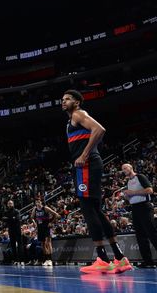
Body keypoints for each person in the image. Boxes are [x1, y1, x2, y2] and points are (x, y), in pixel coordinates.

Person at [61, 90, 131, 274]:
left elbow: (100, 129)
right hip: (88, 165)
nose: (63, 101)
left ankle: (102, 259)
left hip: (86, 165)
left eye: (67, 98)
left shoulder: (79, 114)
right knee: (95, 210)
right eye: (62, 99)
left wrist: (84, 155)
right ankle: (119, 257)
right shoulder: (72, 120)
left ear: (76, 102)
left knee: (87, 208)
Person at [121, 163, 157, 268]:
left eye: (125, 168)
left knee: (151, 233)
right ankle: (148, 261)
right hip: (135, 209)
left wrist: (133, 192)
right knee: (140, 236)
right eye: (122, 169)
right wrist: (127, 196)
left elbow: (150, 190)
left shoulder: (140, 177)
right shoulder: (128, 182)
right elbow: (131, 197)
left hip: (145, 207)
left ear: (131, 167)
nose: (123, 170)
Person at [31, 198, 59, 266]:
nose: (38, 203)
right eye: (36, 202)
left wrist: (51, 222)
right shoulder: (35, 209)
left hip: (46, 227)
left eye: (39, 201)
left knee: (48, 243)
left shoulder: (45, 208)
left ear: (41, 202)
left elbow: (55, 214)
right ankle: (46, 259)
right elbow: (32, 217)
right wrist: (34, 222)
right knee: (43, 244)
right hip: (40, 228)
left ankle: (50, 259)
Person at [3, 200, 23, 265]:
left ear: (13, 204)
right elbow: (3, 219)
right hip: (11, 230)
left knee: (20, 245)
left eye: (11, 203)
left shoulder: (17, 211)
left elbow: (17, 219)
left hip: (17, 230)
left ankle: (21, 260)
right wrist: (12, 218)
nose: (10, 204)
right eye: (9, 203)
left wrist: (8, 219)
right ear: (7, 205)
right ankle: (15, 260)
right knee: (13, 245)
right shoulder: (6, 212)